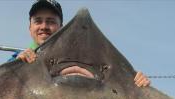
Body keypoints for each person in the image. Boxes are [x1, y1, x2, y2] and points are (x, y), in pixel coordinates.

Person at [9, 0, 150, 87]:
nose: (44, 26)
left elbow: (119, 82)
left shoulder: (84, 59)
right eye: (38, 21)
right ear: (30, 28)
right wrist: (15, 66)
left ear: (61, 28)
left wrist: (137, 82)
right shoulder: (18, 58)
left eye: (51, 21)